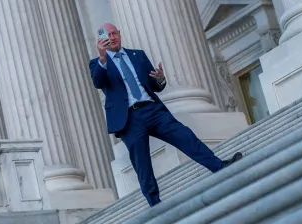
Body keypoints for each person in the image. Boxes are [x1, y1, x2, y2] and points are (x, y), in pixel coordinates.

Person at [89, 23, 242, 206]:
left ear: (120, 34)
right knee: (142, 162)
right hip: (129, 119)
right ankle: (155, 203)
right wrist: (102, 57)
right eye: (107, 35)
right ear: (101, 40)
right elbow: (98, 82)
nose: (112, 37)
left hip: (152, 109)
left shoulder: (138, 55)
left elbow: (154, 85)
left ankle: (218, 166)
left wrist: (160, 79)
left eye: (114, 33)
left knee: (184, 135)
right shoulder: (99, 63)